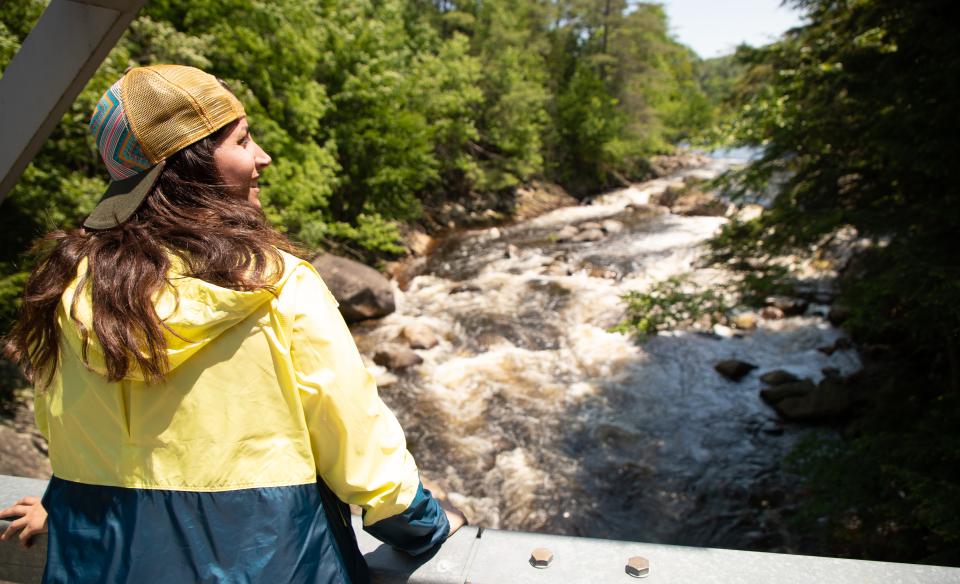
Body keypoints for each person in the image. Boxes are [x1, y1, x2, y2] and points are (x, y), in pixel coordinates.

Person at [0, 64, 465, 583]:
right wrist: (426, 526)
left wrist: (63, 506)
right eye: (243, 141)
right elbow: (360, 449)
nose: (262, 156)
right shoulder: (277, 286)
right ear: (191, 165)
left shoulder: (69, 286)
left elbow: (70, 432)